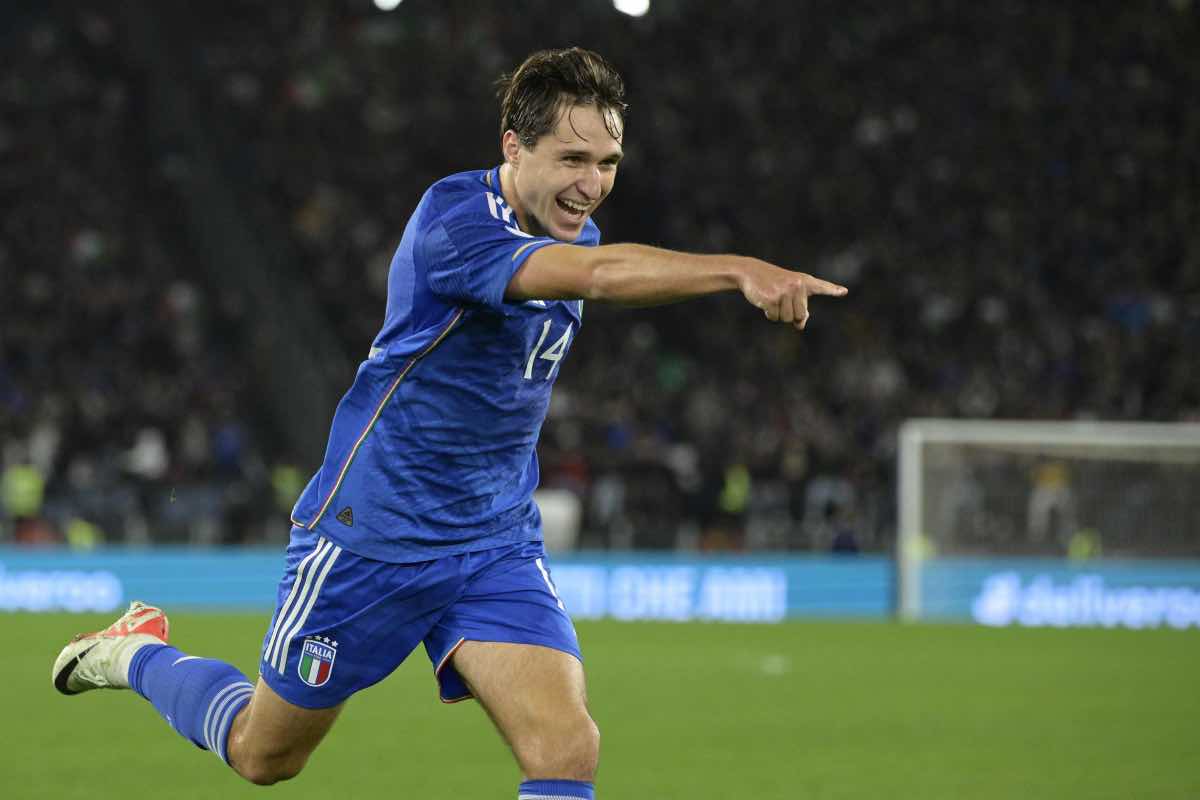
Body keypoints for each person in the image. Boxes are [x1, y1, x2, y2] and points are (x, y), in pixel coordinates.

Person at [51, 47, 847, 799]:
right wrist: (737, 269)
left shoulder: (575, 233)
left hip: (491, 541)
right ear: (514, 147)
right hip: (373, 536)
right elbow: (601, 276)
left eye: (607, 163)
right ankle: (137, 653)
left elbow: (587, 281)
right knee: (265, 754)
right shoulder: (456, 224)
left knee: (566, 746)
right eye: (572, 159)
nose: (592, 185)